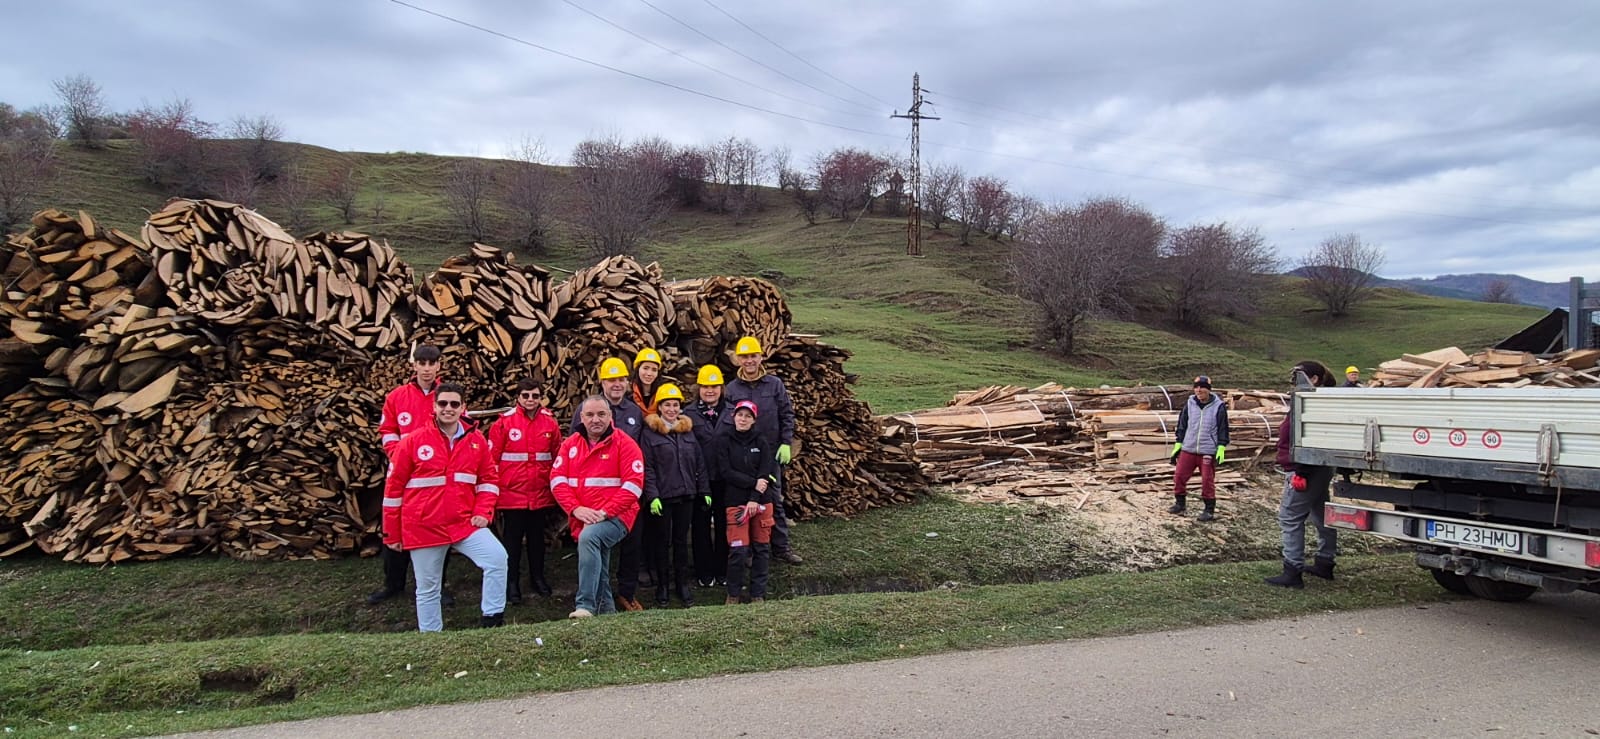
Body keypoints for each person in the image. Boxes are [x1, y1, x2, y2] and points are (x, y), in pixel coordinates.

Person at [381, 382, 508, 631]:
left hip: (463, 522)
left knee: (497, 558)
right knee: (428, 587)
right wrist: (392, 534)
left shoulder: (476, 440)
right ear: (434, 406)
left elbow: (489, 481)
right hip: (423, 527)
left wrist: (483, 512)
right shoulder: (413, 441)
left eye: (454, 404)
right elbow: (393, 491)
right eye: (443, 403)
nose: (448, 409)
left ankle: (493, 620)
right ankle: (431, 638)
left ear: (463, 408)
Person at [369, 343, 454, 606]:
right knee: (396, 527)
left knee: (437, 530)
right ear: (414, 364)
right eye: (422, 363)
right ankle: (393, 584)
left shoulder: (446, 395)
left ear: (439, 365)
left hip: (435, 477)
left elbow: (454, 429)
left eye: (432, 363)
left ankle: (436, 587)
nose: (427, 369)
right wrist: (399, 456)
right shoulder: (396, 397)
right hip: (403, 475)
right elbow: (388, 431)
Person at [551, 395, 646, 618]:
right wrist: (575, 509)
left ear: (610, 416)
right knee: (598, 561)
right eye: (590, 415)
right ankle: (607, 614)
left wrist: (605, 512)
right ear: (581, 418)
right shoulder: (570, 444)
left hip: (618, 516)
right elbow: (557, 480)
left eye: (601, 414)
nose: (596, 419)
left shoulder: (625, 444)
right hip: (583, 516)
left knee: (590, 539)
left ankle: (585, 605)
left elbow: (634, 486)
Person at [568, 357, 648, 610]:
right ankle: (602, 605)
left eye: (621, 379)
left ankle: (624, 594)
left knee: (630, 547)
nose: (617, 384)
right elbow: (576, 450)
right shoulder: (585, 408)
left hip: (625, 497)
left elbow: (640, 452)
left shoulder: (634, 411)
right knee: (596, 546)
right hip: (592, 500)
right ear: (602, 381)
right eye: (611, 379)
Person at [722, 336, 804, 564]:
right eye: (745, 356)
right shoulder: (731, 388)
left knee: (773, 499)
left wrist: (786, 442)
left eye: (753, 356)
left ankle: (781, 547)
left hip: (770, 454)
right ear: (738, 359)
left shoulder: (774, 384)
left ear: (760, 357)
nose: (749, 361)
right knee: (745, 499)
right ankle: (747, 550)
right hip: (742, 456)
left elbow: (786, 414)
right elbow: (728, 422)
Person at [1266, 361, 1341, 589]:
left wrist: (1301, 471)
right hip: (1317, 468)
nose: (1292, 380)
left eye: (1297, 376)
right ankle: (1325, 562)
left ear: (1314, 379)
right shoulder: (1312, 399)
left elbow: (1310, 440)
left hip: (1306, 469)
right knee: (1320, 514)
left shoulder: (1311, 402)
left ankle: (1292, 570)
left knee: (1289, 517)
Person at [487, 376, 562, 602]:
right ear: (518, 397)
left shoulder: (550, 423)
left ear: (541, 398)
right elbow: (492, 461)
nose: (530, 400)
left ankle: (537, 578)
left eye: (535, 396)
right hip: (512, 495)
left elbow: (557, 457)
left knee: (537, 540)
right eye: (526, 396)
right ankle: (511, 583)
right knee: (512, 541)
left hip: (540, 493)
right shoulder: (503, 423)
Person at [640, 382, 710, 607]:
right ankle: (663, 586)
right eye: (667, 404)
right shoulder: (650, 434)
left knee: (681, 542)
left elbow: (700, 462)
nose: (671, 408)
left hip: (686, 495)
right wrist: (652, 496)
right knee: (662, 543)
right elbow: (647, 467)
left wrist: (704, 490)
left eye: (675, 404)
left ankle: (682, 584)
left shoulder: (687, 431)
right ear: (659, 407)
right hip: (663, 498)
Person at [717, 400, 780, 604]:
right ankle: (733, 594)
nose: (743, 419)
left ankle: (757, 594)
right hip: (735, 501)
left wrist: (754, 498)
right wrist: (753, 483)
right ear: (733, 416)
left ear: (754, 420)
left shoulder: (761, 440)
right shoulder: (724, 440)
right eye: (740, 415)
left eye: (748, 416)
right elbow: (726, 472)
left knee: (761, 548)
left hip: (762, 501)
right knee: (738, 550)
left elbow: (765, 470)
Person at [684, 364, 731, 587]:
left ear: (721, 388)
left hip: (726, 480)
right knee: (701, 526)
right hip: (700, 480)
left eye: (714, 386)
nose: (709, 391)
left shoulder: (733, 411)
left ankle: (722, 570)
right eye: (705, 386)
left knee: (724, 525)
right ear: (698, 388)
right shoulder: (688, 414)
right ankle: (704, 571)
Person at [1168, 375, 1230, 522]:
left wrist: (1221, 446)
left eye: (1202, 387)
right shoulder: (1189, 404)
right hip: (1188, 448)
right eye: (1196, 387)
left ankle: (1209, 509)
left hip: (1207, 450)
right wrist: (1178, 443)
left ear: (1208, 390)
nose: (1199, 390)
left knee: (1207, 481)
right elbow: (1182, 424)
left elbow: (1223, 428)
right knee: (1179, 477)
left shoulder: (1218, 407)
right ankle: (1180, 504)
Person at [631, 347, 664, 414]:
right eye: (645, 368)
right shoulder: (628, 394)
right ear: (638, 369)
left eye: (654, 370)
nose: (649, 373)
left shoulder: (663, 394)